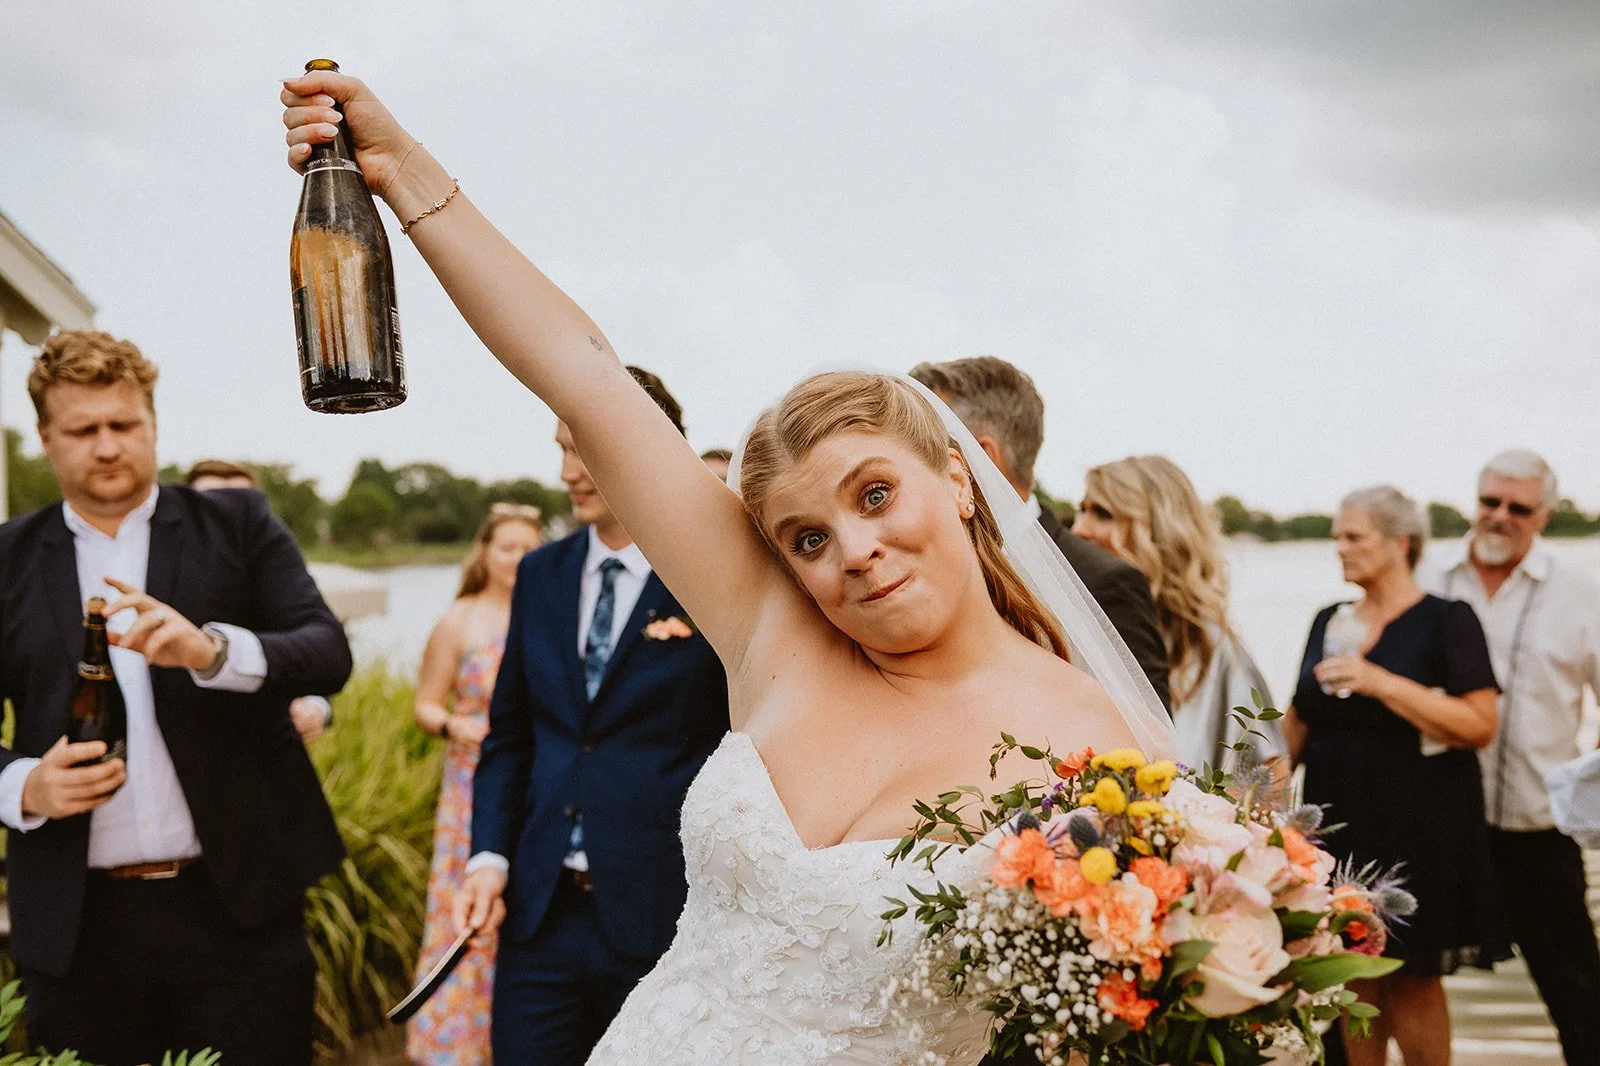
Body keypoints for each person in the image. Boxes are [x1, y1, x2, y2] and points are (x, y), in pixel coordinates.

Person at [281, 72, 1170, 1065]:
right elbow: (582, 370)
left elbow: (1120, 1020)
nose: (853, 553)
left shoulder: (1094, 744)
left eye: (873, 494)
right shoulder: (776, 637)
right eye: (806, 538)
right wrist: (405, 178)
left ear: (959, 478)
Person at [0, 330, 351, 1066]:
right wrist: (21, 784)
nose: (105, 446)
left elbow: (327, 650)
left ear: (153, 424)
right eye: (83, 429)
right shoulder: (5, 559)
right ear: (44, 438)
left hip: (239, 914)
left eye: (123, 425)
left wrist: (210, 650)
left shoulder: (239, 526)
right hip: (77, 929)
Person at [460, 369, 731, 1064]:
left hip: (661, 910)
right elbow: (510, 736)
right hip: (539, 911)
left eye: (582, 449)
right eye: (560, 448)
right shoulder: (541, 572)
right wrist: (488, 856)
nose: (566, 472)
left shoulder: (714, 574)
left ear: (649, 446)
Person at [1284, 486, 1504, 1066]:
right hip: (1338, 829)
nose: (1340, 549)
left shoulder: (1446, 620)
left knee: (1413, 976)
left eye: (1354, 537)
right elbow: (1298, 720)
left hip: (1422, 831)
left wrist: (1379, 681)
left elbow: (1480, 723)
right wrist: (1258, 806)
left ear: (1401, 543)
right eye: (1337, 537)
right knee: (1351, 970)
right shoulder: (1327, 620)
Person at [1420, 450, 1600, 1065]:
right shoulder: (1426, 575)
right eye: (1490, 502)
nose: (1500, 517)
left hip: (1535, 825)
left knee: (1576, 989)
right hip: (1436, 822)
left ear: (1544, 515)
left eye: (1518, 508)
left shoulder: (1582, 594)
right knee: (1402, 976)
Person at [907, 356, 1171, 710]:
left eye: (922, 446)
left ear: (977, 458)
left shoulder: (1105, 582)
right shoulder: (912, 572)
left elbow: (1149, 748)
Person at [406, 503, 543, 1066]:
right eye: (507, 546)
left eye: (528, 547)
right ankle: (453, 1048)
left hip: (535, 787)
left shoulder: (546, 614)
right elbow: (424, 705)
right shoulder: (459, 619)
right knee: (464, 910)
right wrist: (456, 725)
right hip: (470, 791)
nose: (517, 557)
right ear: (484, 552)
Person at [1073, 455, 1284, 770]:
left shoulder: (1214, 649)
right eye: (1082, 510)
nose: (1079, 530)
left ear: (1157, 531)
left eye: (1102, 514)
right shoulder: (1072, 630)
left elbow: (1268, 774)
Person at [183, 459, 334, 744]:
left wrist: (315, 706)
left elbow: (316, 653)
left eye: (244, 507)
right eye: (213, 505)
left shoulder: (279, 584)